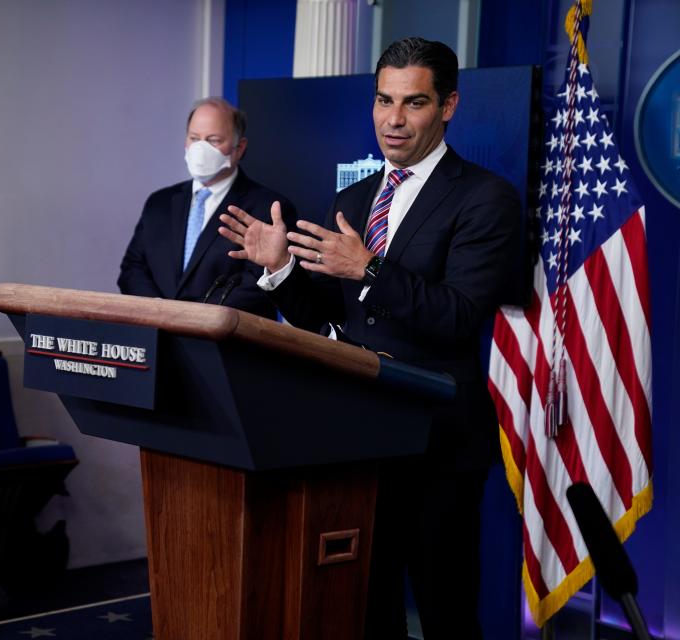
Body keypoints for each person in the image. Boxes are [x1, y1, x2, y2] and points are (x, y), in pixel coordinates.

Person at [219, 38, 521, 638]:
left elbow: (459, 315)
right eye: (384, 100)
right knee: (363, 606)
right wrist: (278, 271)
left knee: (445, 610)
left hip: (438, 443)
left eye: (414, 103)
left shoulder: (486, 197)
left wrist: (370, 269)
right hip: (359, 434)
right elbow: (332, 324)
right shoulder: (356, 199)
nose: (394, 120)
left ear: (449, 106)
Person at [118, 97, 297, 317]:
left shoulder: (268, 209)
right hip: (156, 341)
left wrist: (193, 318)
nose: (200, 148)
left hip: (225, 346)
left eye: (213, 140)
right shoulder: (159, 202)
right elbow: (132, 269)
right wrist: (159, 311)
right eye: (194, 138)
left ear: (239, 148)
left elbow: (261, 285)